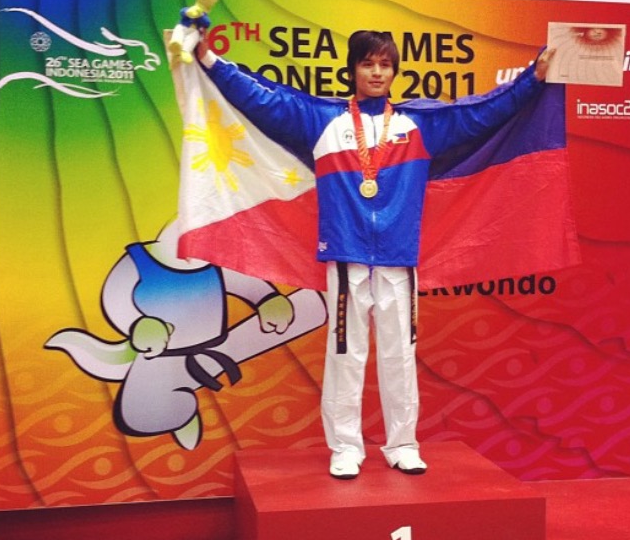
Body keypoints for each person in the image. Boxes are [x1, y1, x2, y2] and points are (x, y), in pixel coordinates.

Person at [194, 27, 554, 480]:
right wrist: (207, 58)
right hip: (346, 257)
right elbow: (263, 99)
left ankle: (403, 444)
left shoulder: (418, 125)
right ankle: (346, 447)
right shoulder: (321, 119)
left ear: (395, 71)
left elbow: (482, 112)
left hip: (399, 260)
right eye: (368, 64)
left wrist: (533, 78)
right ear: (353, 69)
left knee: (399, 355)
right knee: (345, 355)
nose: (377, 72)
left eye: (385, 64)